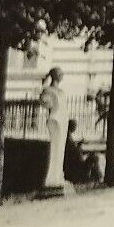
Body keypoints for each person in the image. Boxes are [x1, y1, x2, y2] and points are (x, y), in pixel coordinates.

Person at [37, 67, 67, 196]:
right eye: (61, 74)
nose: (62, 76)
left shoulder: (61, 91)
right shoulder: (48, 91)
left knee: (60, 151)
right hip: (55, 121)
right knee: (55, 150)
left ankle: (57, 176)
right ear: (56, 76)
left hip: (62, 122)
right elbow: (45, 103)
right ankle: (52, 179)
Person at [62, 118, 100, 186]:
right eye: (74, 126)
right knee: (94, 158)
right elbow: (75, 151)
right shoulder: (68, 137)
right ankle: (97, 177)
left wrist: (79, 145)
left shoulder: (67, 136)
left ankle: (97, 177)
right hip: (75, 165)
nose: (75, 127)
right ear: (71, 126)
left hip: (74, 162)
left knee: (93, 156)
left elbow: (74, 149)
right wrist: (79, 145)